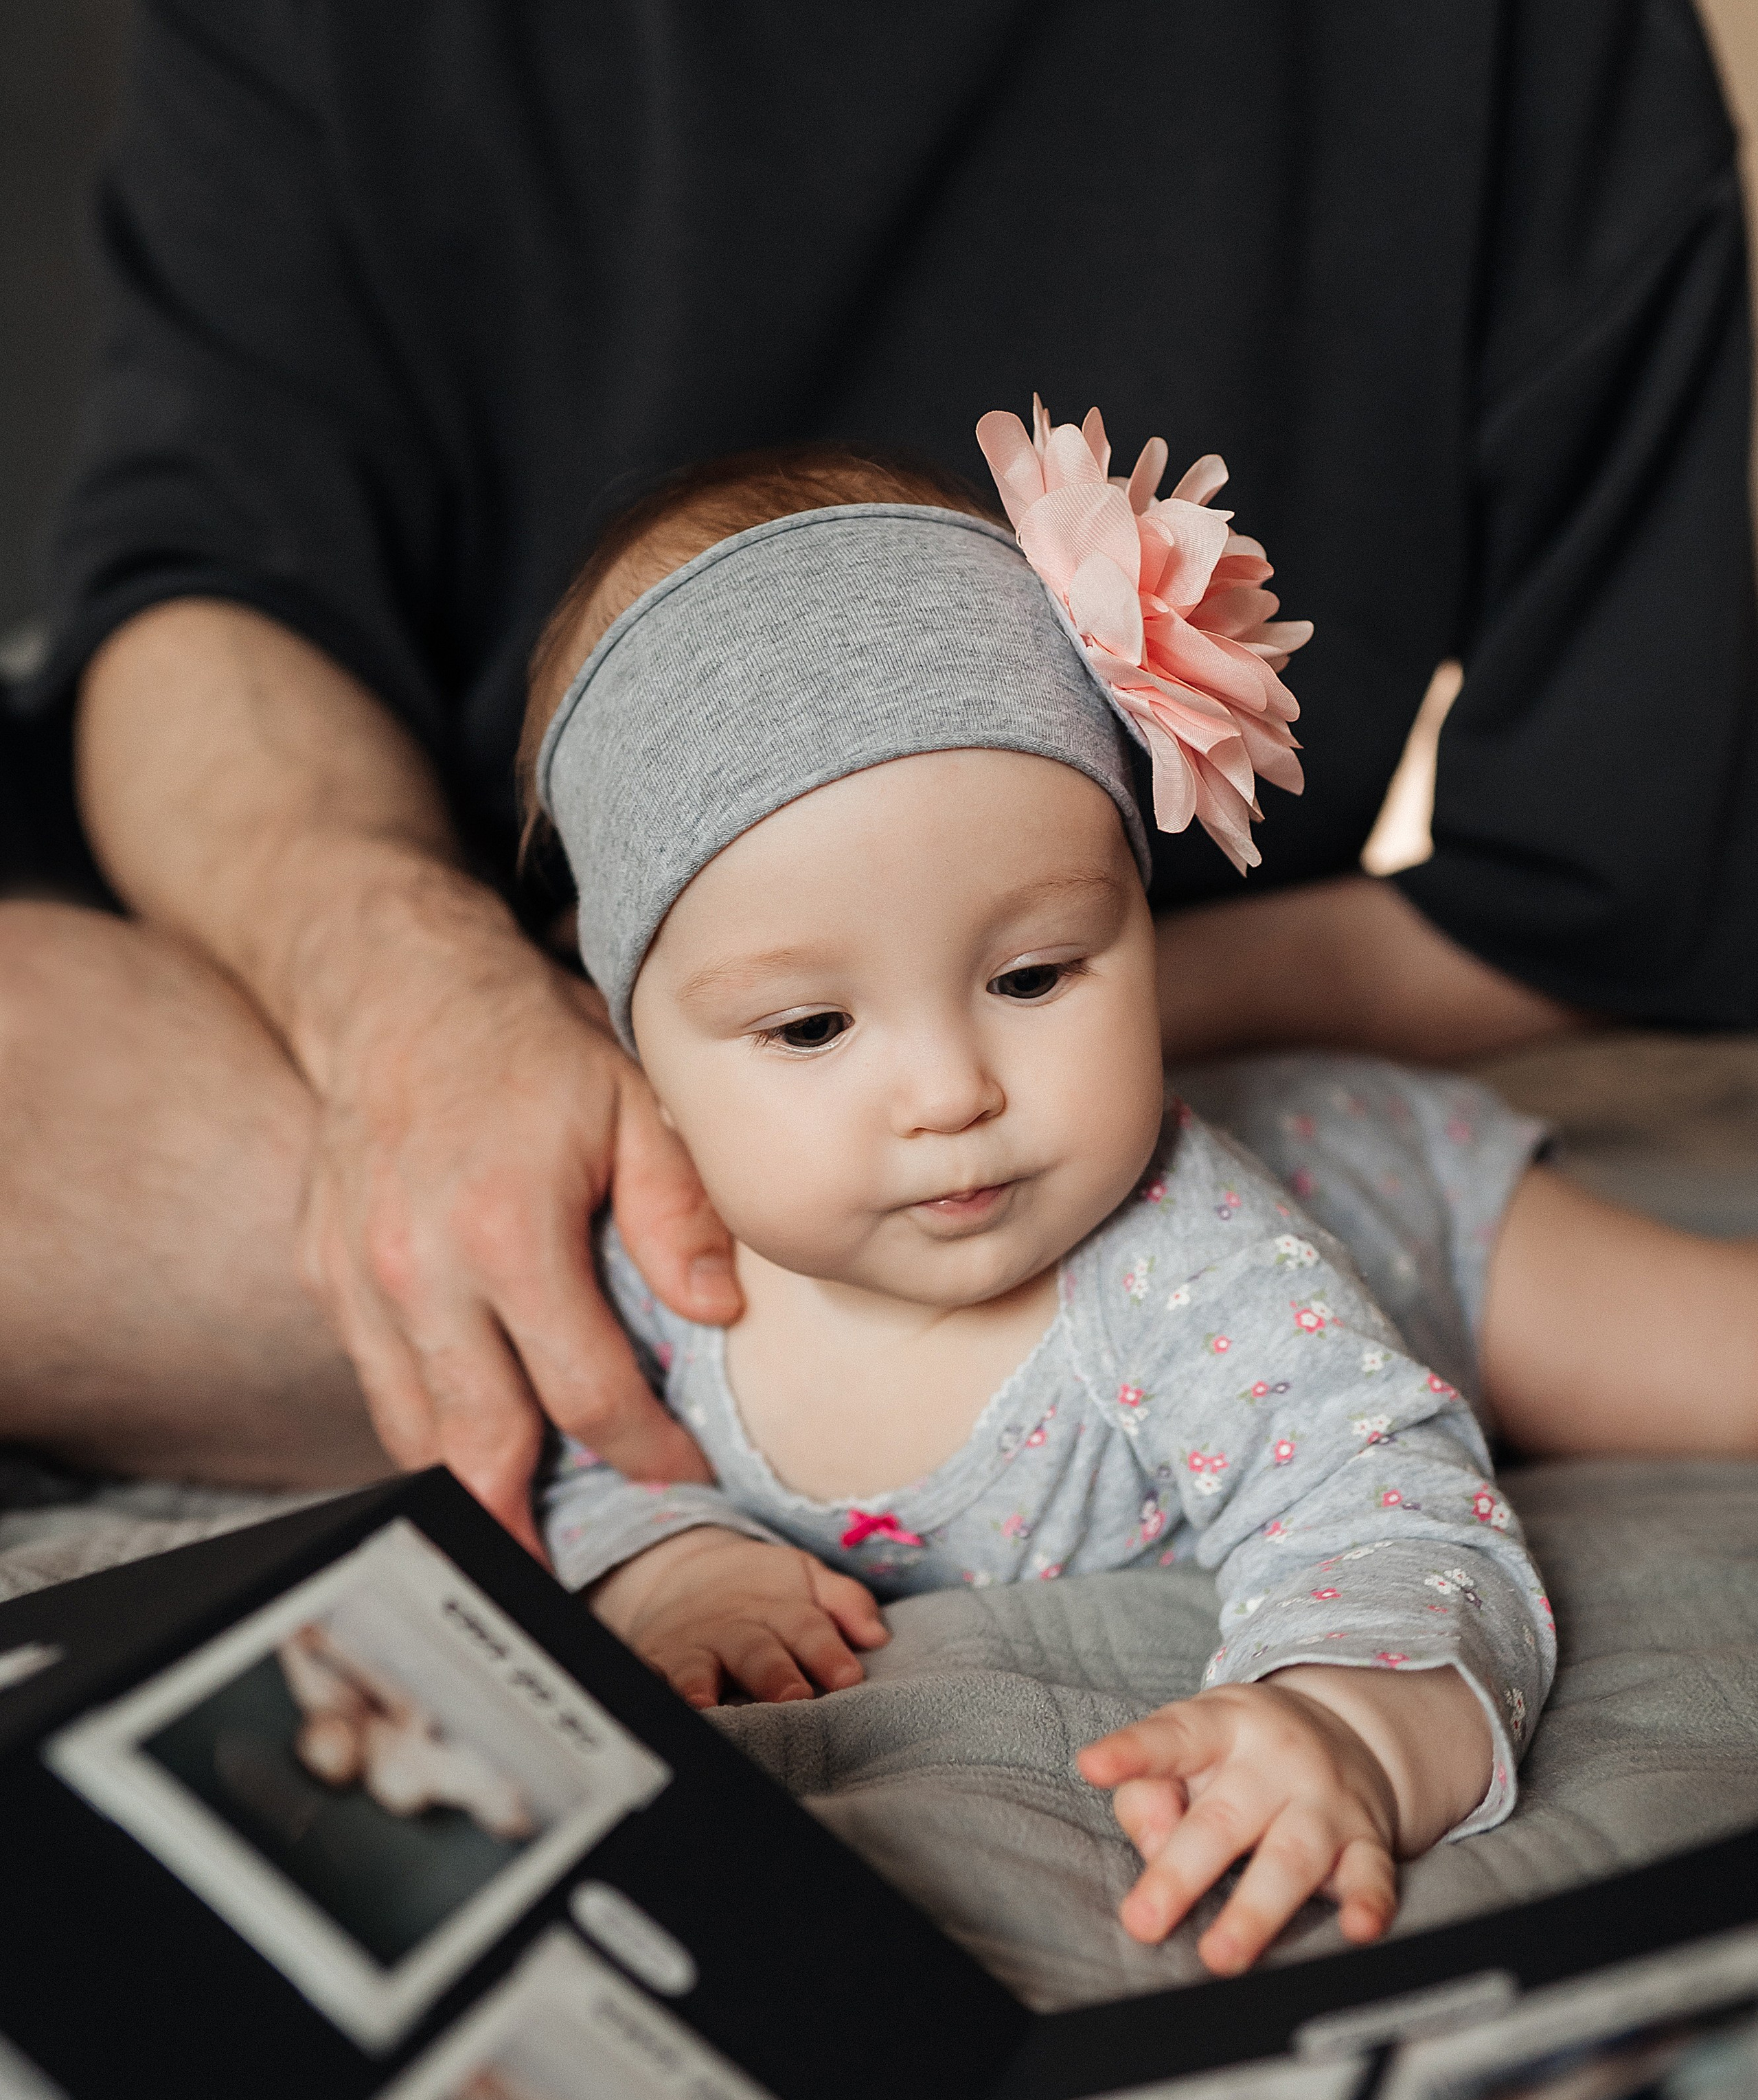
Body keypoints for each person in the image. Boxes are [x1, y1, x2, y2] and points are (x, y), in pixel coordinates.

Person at [3, 2, 1753, 1538]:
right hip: (494, 1025)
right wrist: (418, 998)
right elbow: (204, 581)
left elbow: (1591, 886)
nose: (940, 1105)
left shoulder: (1500, 40)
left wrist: (1026, 1002)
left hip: (1108, 1042)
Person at [523, 415, 1571, 1976]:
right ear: (645, 1055)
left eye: (1030, 975)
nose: (950, 1091)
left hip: (1411, 1211)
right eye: (810, 1027)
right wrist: (674, 1557)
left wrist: (1343, 1719)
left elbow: (1382, 1497)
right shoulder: (653, 1254)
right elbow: (581, 1447)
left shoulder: (1176, 1255)